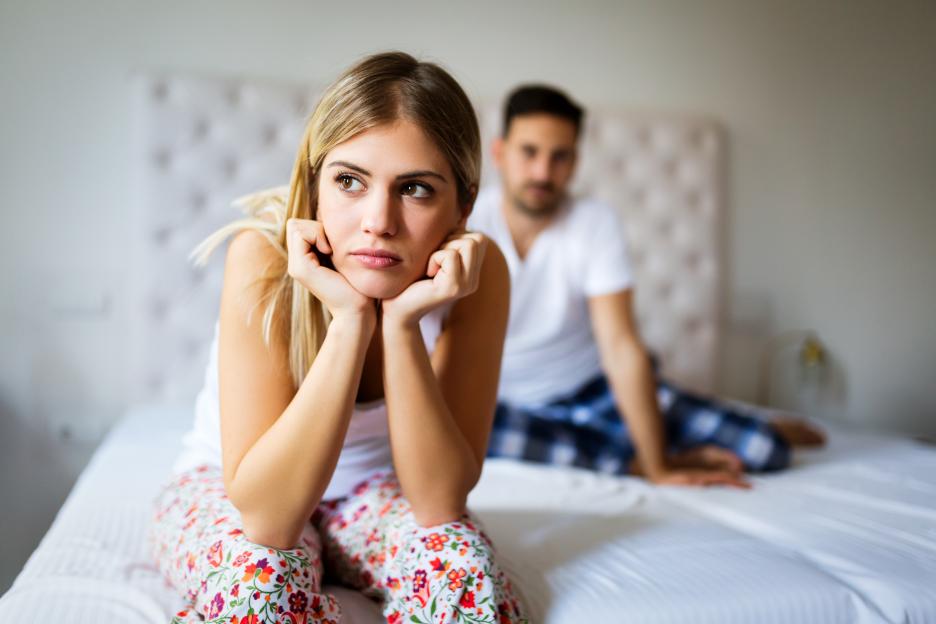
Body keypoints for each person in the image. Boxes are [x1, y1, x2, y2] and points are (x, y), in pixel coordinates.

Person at [148, 52, 528, 624]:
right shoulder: (263, 257)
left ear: (464, 204)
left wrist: (400, 324)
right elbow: (268, 519)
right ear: (313, 184)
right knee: (259, 591)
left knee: (468, 581)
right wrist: (351, 320)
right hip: (238, 491)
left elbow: (439, 502)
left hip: (375, 494)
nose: (379, 220)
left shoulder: (480, 273)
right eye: (350, 181)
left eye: (416, 189)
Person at [470, 85, 825, 489]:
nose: (542, 172)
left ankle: (653, 447)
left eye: (560, 156)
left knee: (765, 450)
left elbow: (621, 346)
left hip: (592, 390)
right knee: (472, 438)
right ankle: (632, 457)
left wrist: (659, 468)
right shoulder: (469, 221)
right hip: (504, 403)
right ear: (499, 152)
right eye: (529, 152)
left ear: (575, 162)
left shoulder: (593, 221)